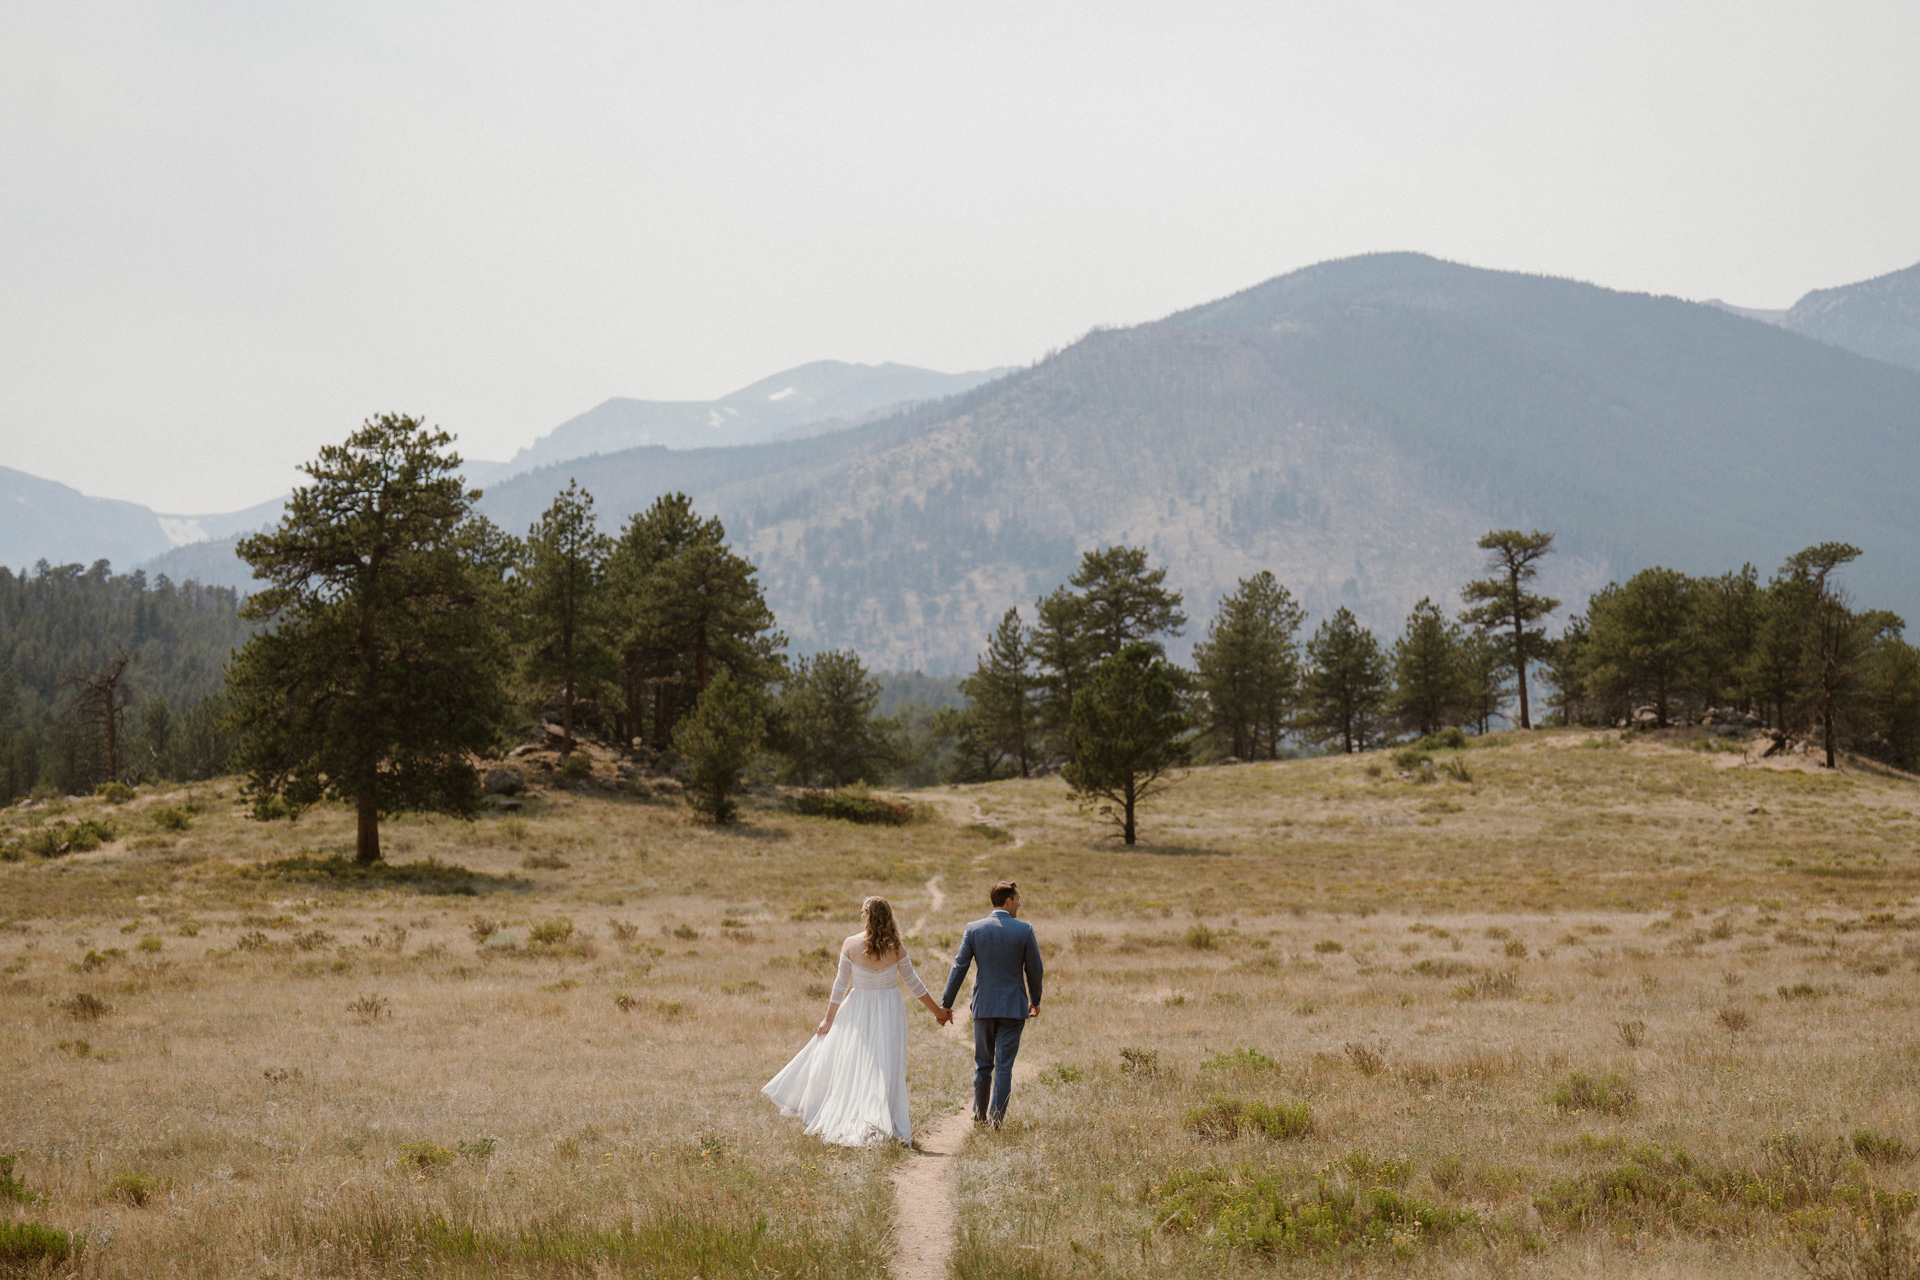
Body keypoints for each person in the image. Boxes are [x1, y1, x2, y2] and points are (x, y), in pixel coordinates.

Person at [763, 896, 952, 1146]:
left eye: (863, 912)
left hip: (858, 1008)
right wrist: (937, 1011)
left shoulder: (850, 944)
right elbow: (914, 984)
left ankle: (865, 1116)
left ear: (867, 915)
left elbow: (841, 985)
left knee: (855, 1062)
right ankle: (881, 1118)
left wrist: (828, 1020)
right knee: (884, 1065)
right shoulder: (897, 948)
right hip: (888, 1009)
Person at [940, 880, 1043, 1128]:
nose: (1020, 904)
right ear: (1007, 901)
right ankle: (997, 1119)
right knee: (1004, 1066)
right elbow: (1035, 969)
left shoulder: (974, 929)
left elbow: (959, 967)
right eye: (1018, 899)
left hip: (984, 1006)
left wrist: (946, 1004)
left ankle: (979, 1114)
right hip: (1013, 1007)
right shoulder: (1024, 930)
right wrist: (1035, 1000)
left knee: (983, 1063)